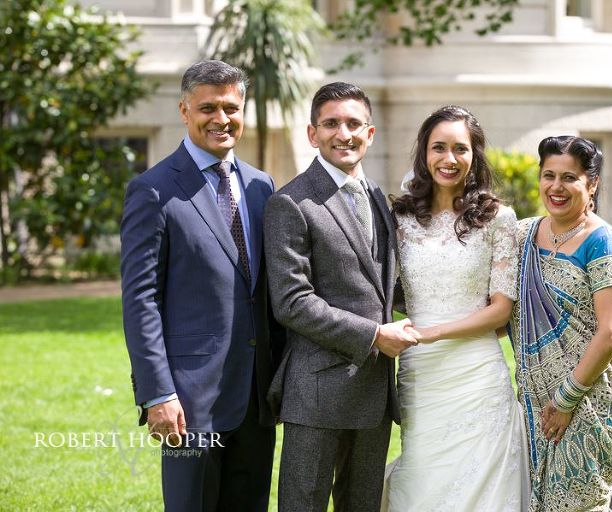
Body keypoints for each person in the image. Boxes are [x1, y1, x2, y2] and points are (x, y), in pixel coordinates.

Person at [121, 60, 284, 511]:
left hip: (255, 398)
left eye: (231, 108)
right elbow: (140, 300)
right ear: (184, 110)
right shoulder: (152, 190)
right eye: (207, 108)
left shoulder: (262, 186)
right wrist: (158, 393)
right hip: (188, 401)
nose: (221, 119)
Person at [263, 82, 418, 512]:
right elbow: (293, 301)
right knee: (303, 505)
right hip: (316, 392)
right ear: (312, 134)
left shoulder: (379, 199)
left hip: (373, 391)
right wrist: (375, 336)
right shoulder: (290, 202)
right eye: (331, 123)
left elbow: (382, 285)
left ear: (370, 133)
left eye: (353, 124)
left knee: (362, 505)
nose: (343, 134)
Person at [384, 105, 529, 511]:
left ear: (474, 154)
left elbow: (501, 310)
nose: (449, 159)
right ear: (423, 153)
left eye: (460, 149)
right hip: (422, 374)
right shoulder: (400, 218)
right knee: (425, 478)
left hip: (477, 373)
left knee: (486, 482)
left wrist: (431, 333)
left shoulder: (499, 219)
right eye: (439, 148)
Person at [509, 135, 612, 511]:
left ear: (592, 184)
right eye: (548, 175)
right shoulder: (522, 236)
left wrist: (567, 398)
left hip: (592, 394)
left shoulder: (604, 243)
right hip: (534, 397)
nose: (556, 187)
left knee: (577, 502)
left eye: (569, 178)